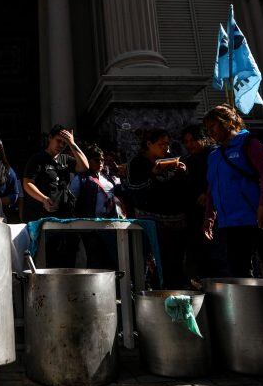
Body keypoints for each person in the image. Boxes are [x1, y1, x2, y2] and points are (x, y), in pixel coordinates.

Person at [202, 105, 263, 278]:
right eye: (207, 129)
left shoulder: (249, 143)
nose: (210, 132)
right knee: (238, 272)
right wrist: (209, 217)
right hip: (228, 224)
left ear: (228, 122)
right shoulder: (214, 156)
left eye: (213, 126)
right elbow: (212, 187)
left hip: (255, 219)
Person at [125, 128, 188, 289]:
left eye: (167, 145)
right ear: (149, 144)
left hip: (175, 221)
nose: (165, 149)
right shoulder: (138, 163)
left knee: (175, 262)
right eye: (161, 144)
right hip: (150, 221)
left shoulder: (169, 160)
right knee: (154, 261)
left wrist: (181, 173)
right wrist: (153, 175)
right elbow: (135, 190)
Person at [22, 124, 89, 267]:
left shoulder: (65, 159)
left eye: (64, 143)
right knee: (50, 259)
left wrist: (73, 144)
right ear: (50, 138)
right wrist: (43, 199)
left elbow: (84, 166)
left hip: (66, 216)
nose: (61, 145)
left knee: (74, 256)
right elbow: (27, 183)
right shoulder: (38, 159)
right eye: (59, 141)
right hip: (45, 217)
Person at [180, 124, 225, 280]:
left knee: (216, 252)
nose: (190, 145)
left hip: (215, 212)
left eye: (193, 140)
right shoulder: (188, 160)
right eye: (186, 142)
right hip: (195, 214)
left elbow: (219, 179)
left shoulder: (214, 154)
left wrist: (208, 193)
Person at [69, 144, 122, 268]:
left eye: (102, 159)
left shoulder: (109, 177)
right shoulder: (81, 179)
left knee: (112, 261)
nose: (101, 162)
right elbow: (71, 201)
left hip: (111, 226)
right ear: (88, 160)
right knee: (94, 261)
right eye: (96, 160)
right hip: (90, 228)